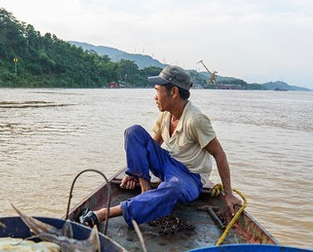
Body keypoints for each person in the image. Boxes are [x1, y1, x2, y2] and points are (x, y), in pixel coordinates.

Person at [79, 65, 241, 228]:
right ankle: (146, 190)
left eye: (157, 90)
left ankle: (104, 213)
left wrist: (228, 194)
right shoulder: (166, 114)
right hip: (167, 163)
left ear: (174, 92)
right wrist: (135, 171)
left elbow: (219, 154)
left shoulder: (196, 120)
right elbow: (152, 144)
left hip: (190, 177)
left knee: (173, 187)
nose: (155, 97)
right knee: (133, 132)